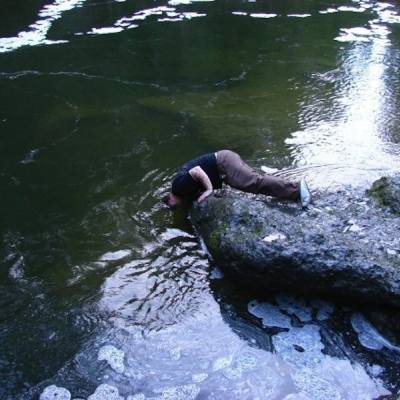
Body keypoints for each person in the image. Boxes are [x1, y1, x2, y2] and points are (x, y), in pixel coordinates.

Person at [162, 150, 311, 208]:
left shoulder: (178, 187)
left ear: (171, 199)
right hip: (223, 165)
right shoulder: (183, 191)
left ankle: (297, 188)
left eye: (173, 206)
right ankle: (291, 195)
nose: (176, 207)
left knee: (254, 183)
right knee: (252, 183)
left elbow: (196, 171)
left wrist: (208, 190)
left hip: (223, 163)